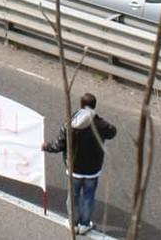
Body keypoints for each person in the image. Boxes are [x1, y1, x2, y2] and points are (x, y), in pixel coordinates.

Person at [43, 93, 116, 235]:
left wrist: (45, 146)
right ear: (94, 107)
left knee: (73, 196)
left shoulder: (69, 124)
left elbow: (58, 145)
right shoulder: (100, 125)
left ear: (81, 106)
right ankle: (84, 224)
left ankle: (73, 223)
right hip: (92, 170)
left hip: (74, 169)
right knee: (88, 196)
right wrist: (97, 117)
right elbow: (113, 131)